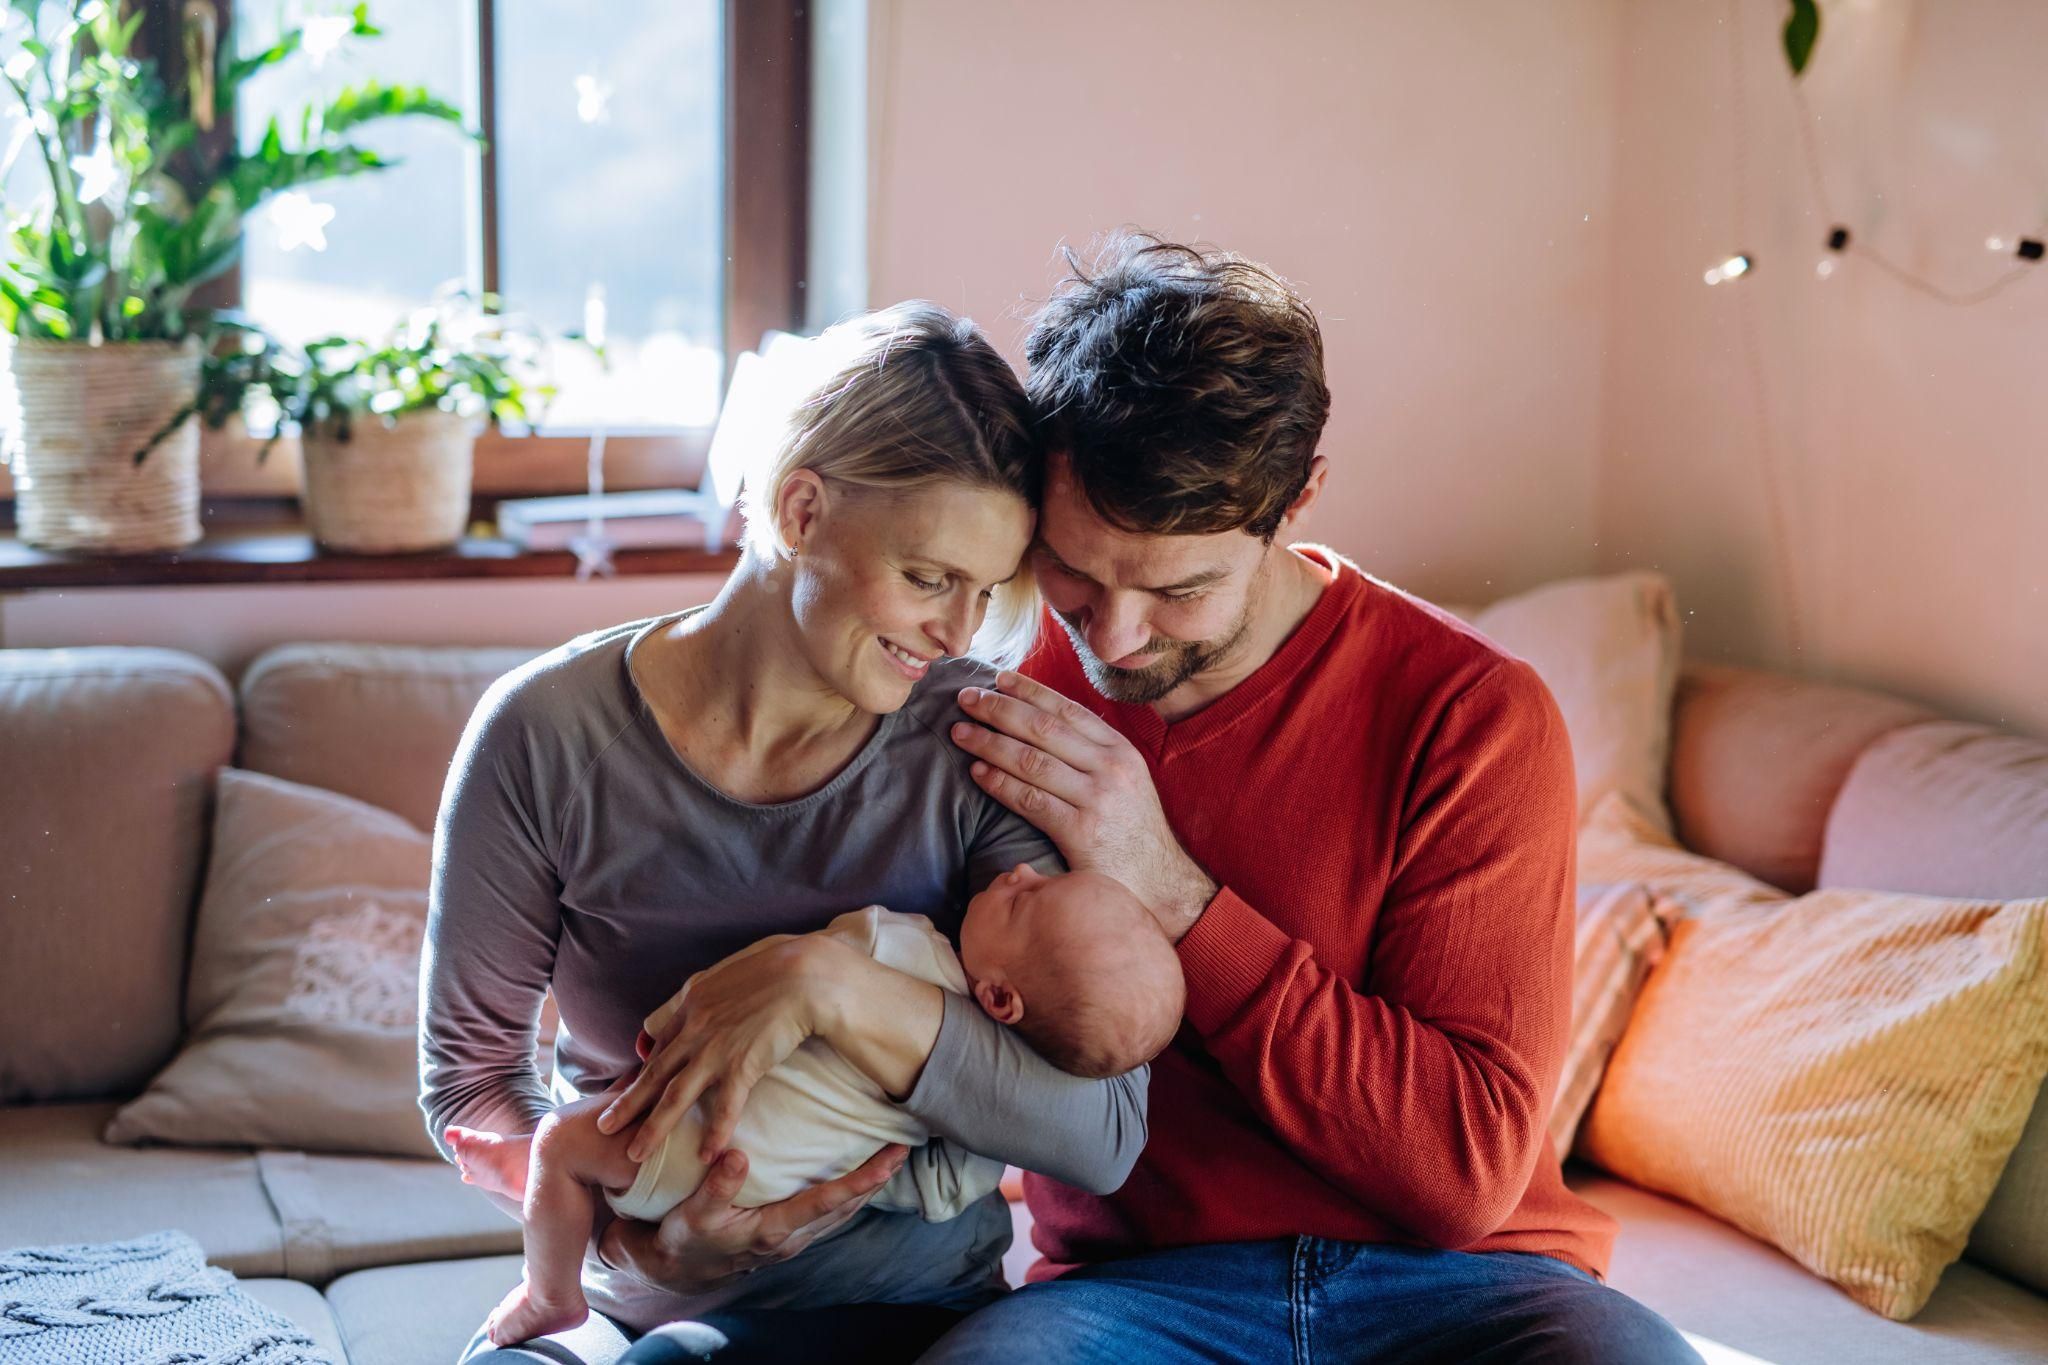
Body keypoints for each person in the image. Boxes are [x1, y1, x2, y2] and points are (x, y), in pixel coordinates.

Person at [925, 234, 1705, 1363]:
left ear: (1294, 502)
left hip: (1471, 1288)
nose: (1113, 634)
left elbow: (1462, 1176)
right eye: (1074, 571)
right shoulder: (1005, 689)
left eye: (1179, 587)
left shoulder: (1469, 715)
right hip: (1135, 1297)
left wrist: (1170, 892)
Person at [418, 302, 1149, 1365]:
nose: (955, 632)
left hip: (912, 1316)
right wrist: (646, 1242)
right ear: (801, 509)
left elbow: (1100, 1132)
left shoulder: (977, 739)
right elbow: (469, 1083)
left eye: (985, 592)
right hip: (630, 1309)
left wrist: (827, 985)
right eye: (928, 577)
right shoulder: (544, 735)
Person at [445, 866, 1182, 1348]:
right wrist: (847, 1182)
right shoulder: (980, 1114)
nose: (1019, 872)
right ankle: (558, 1197)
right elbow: (935, 1185)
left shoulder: (895, 944)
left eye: (1026, 898)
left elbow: (773, 974)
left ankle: (549, 1289)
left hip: (689, 1137)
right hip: (781, 1187)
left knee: (560, 1143)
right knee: (585, 1162)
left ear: (998, 996)